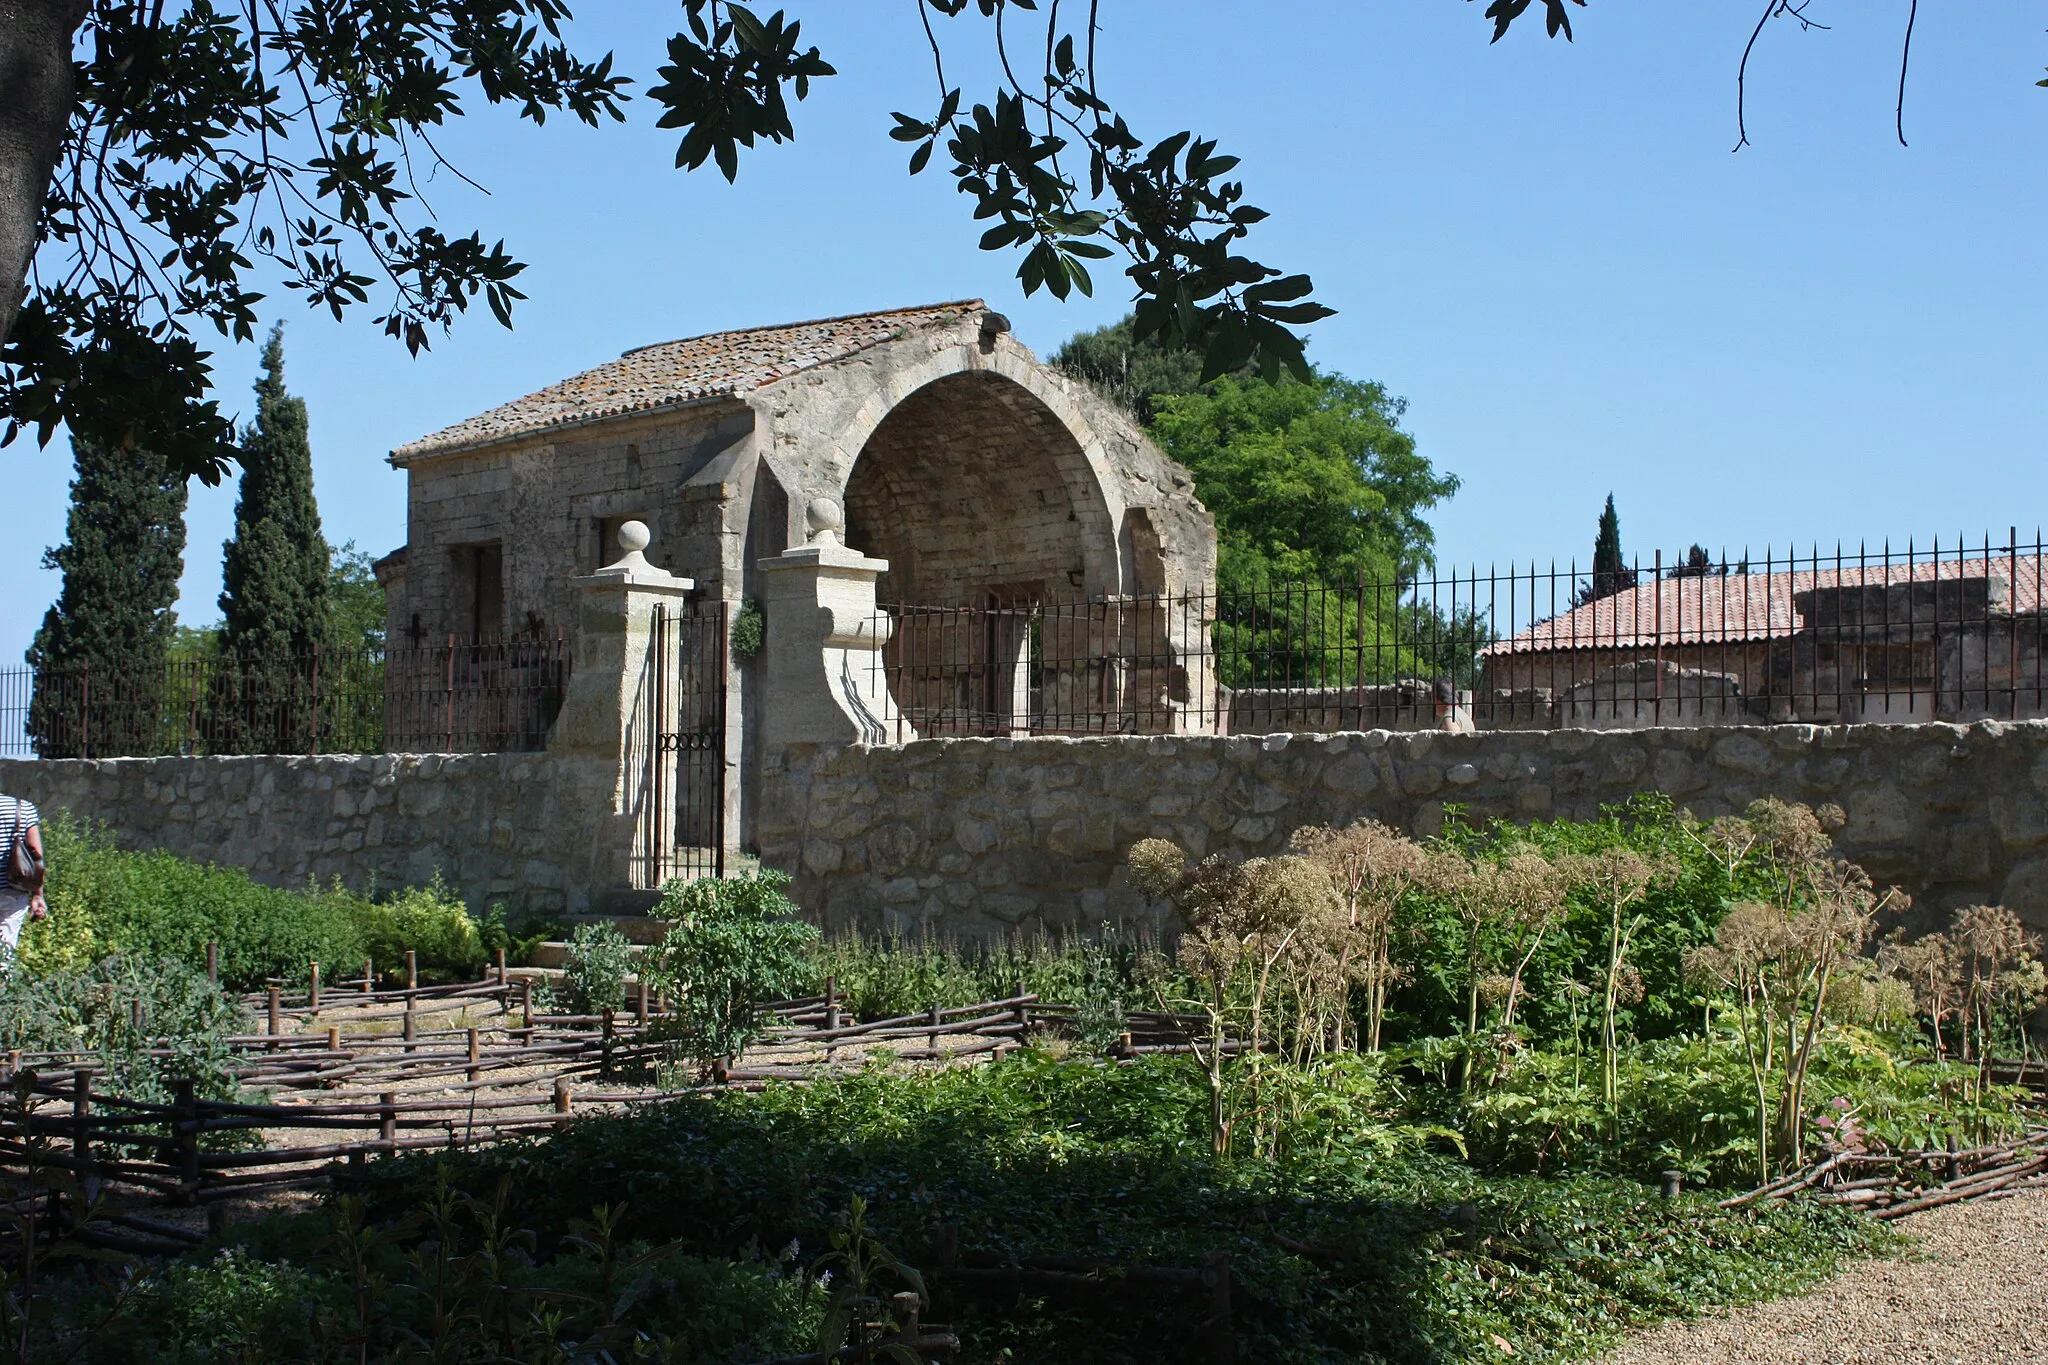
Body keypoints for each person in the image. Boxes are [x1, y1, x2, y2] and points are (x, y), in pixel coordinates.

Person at [0, 794, 46, 964]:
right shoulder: (23, 808)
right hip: (14, 888)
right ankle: (4, 987)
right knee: (5, 949)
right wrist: (37, 895)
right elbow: (36, 855)